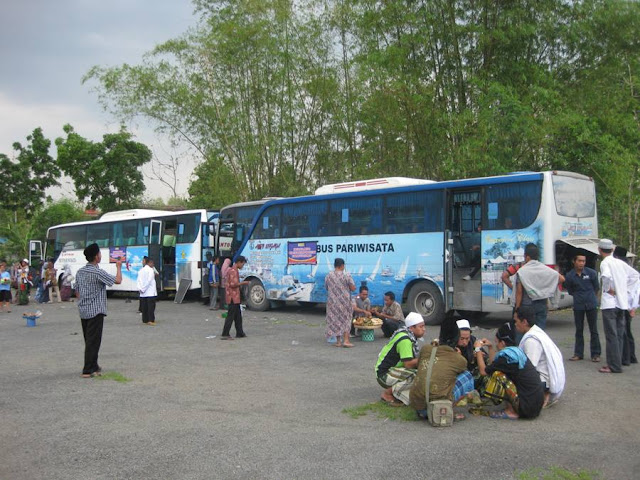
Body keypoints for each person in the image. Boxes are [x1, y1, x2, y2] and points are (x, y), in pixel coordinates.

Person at [474, 322, 545, 420]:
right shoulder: (516, 353)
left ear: (502, 343)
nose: (496, 344)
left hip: (526, 409)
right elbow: (494, 364)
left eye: (496, 341)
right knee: (498, 372)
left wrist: (477, 349)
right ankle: (514, 407)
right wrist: (490, 347)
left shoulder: (506, 358)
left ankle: (511, 411)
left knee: (498, 375)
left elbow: (484, 371)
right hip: (534, 406)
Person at [409, 318, 475, 420]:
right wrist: (459, 356)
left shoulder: (426, 349)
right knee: (468, 376)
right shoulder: (459, 359)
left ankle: (425, 410)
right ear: (456, 339)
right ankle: (447, 411)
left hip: (417, 405)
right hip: (436, 409)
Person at [75, 243, 122, 378]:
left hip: (83, 310)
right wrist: (118, 267)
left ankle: (94, 365)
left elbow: (77, 291)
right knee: (93, 341)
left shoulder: (80, 272)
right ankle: (87, 369)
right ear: (96, 257)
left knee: (89, 339)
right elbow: (118, 280)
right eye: (100, 253)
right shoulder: (97, 271)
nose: (100, 255)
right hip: (96, 310)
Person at [598, 239, 639, 373]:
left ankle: (613, 365)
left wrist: (608, 289)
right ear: (612, 249)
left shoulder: (605, 263)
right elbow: (635, 276)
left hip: (609, 304)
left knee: (611, 335)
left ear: (599, 250)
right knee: (620, 333)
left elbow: (606, 276)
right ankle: (619, 361)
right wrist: (625, 290)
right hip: (622, 303)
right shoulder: (620, 263)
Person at [514, 306, 565, 408]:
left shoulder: (531, 341)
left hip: (543, 382)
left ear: (524, 322)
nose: (515, 324)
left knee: (509, 383)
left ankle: (542, 395)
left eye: (516, 321)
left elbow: (528, 369)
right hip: (547, 379)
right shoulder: (536, 331)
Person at [375, 312, 425, 406]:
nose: (424, 329)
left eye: (424, 326)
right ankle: (388, 393)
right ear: (411, 328)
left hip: (389, 370)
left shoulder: (407, 335)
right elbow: (408, 364)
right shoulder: (405, 340)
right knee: (418, 375)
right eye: (421, 327)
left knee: (420, 371)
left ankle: (401, 394)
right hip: (384, 374)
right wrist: (426, 358)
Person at [515, 243, 565, 330]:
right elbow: (561, 279)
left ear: (527, 257)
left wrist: (517, 309)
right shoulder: (545, 269)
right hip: (542, 304)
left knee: (525, 331)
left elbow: (519, 292)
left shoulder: (522, 271)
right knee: (540, 333)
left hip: (527, 306)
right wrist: (547, 289)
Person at [563, 254, 601, 362]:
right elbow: (570, 290)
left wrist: (592, 298)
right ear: (574, 261)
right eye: (579, 261)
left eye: (583, 261)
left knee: (593, 329)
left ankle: (596, 354)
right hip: (578, 305)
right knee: (579, 330)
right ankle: (578, 353)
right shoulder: (570, 276)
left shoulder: (591, 273)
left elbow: (596, 287)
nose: (581, 263)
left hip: (591, 304)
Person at [614, 246, 639, 366]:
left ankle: (625, 357)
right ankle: (631, 356)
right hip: (629, 304)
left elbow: (634, 290)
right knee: (627, 331)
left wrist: (632, 306)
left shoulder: (620, 267)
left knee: (622, 331)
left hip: (624, 303)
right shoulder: (629, 267)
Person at [324, 258, 356, 347]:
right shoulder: (346, 275)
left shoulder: (328, 276)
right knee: (346, 320)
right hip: (344, 302)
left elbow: (326, 288)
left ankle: (338, 341)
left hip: (332, 303)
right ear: (342, 265)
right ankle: (346, 341)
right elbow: (353, 288)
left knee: (335, 320)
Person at [221, 256, 250, 340]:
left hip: (235, 297)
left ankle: (240, 332)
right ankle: (225, 333)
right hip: (232, 296)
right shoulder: (233, 271)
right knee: (231, 316)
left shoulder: (233, 270)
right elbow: (233, 284)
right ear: (239, 262)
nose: (242, 266)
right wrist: (243, 283)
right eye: (242, 264)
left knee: (238, 316)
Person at [137, 258, 158, 326]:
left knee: (144, 307)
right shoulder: (150, 270)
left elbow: (138, 280)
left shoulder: (141, 270)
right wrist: (144, 288)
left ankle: (145, 319)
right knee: (151, 307)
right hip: (150, 292)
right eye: (152, 263)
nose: (153, 264)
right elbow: (149, 280)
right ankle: (150, 320)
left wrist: (141, 289)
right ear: (149, 263)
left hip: (142, 293)